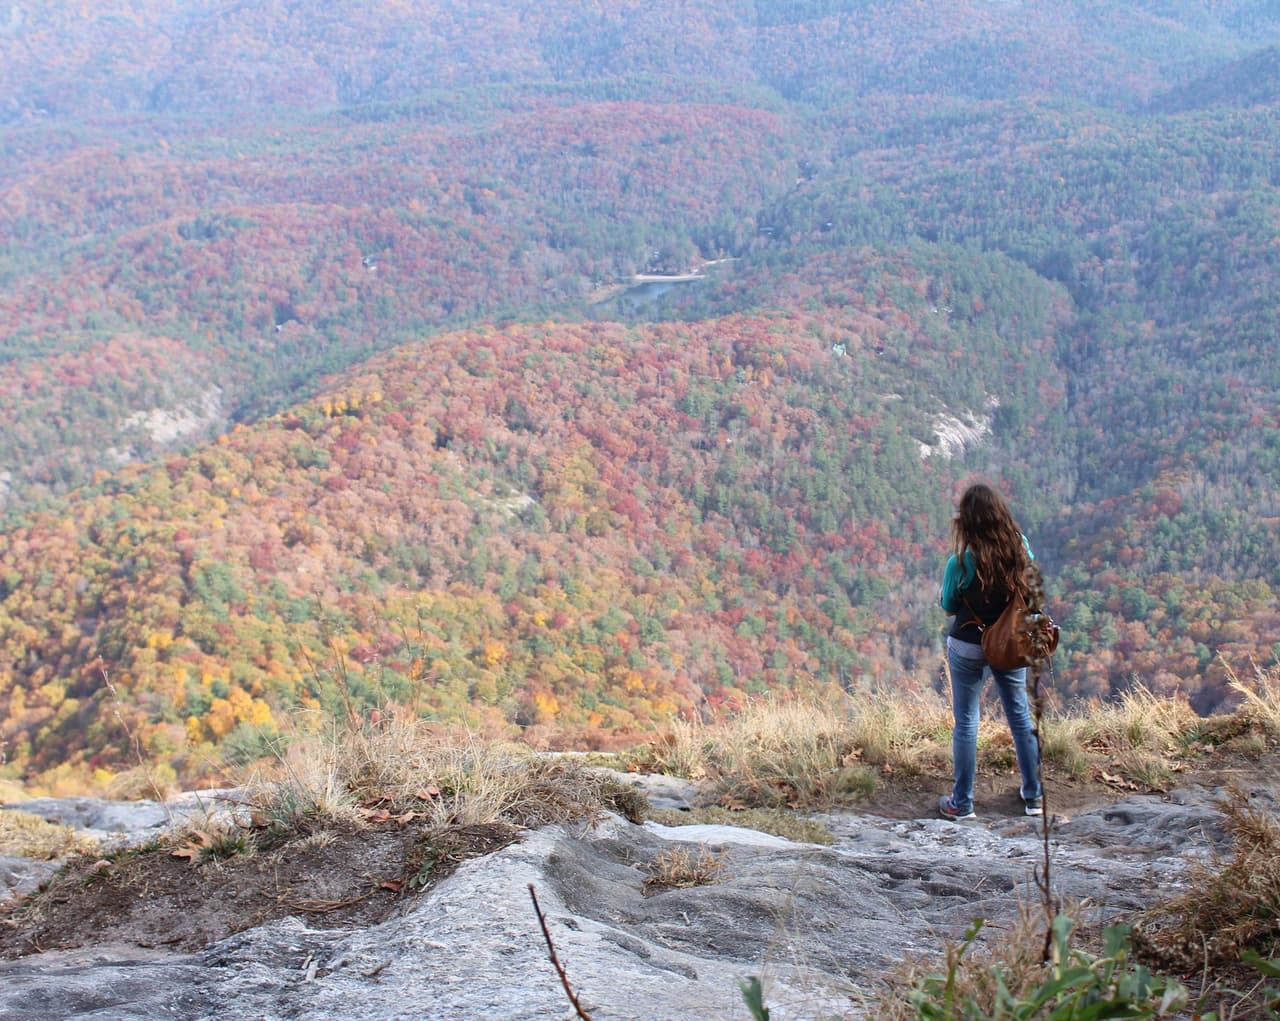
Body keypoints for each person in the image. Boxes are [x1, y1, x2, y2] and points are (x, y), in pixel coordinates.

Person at [937, 482, 1043, 821]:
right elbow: (1030, 591)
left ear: (967, 521)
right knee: (1019, 715)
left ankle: (962, 803)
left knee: (967, 722)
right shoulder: (1020, 548)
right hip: (1009, 642)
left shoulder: (961, 562)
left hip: (968, 643)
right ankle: (1034, 796)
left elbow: (948, 605)